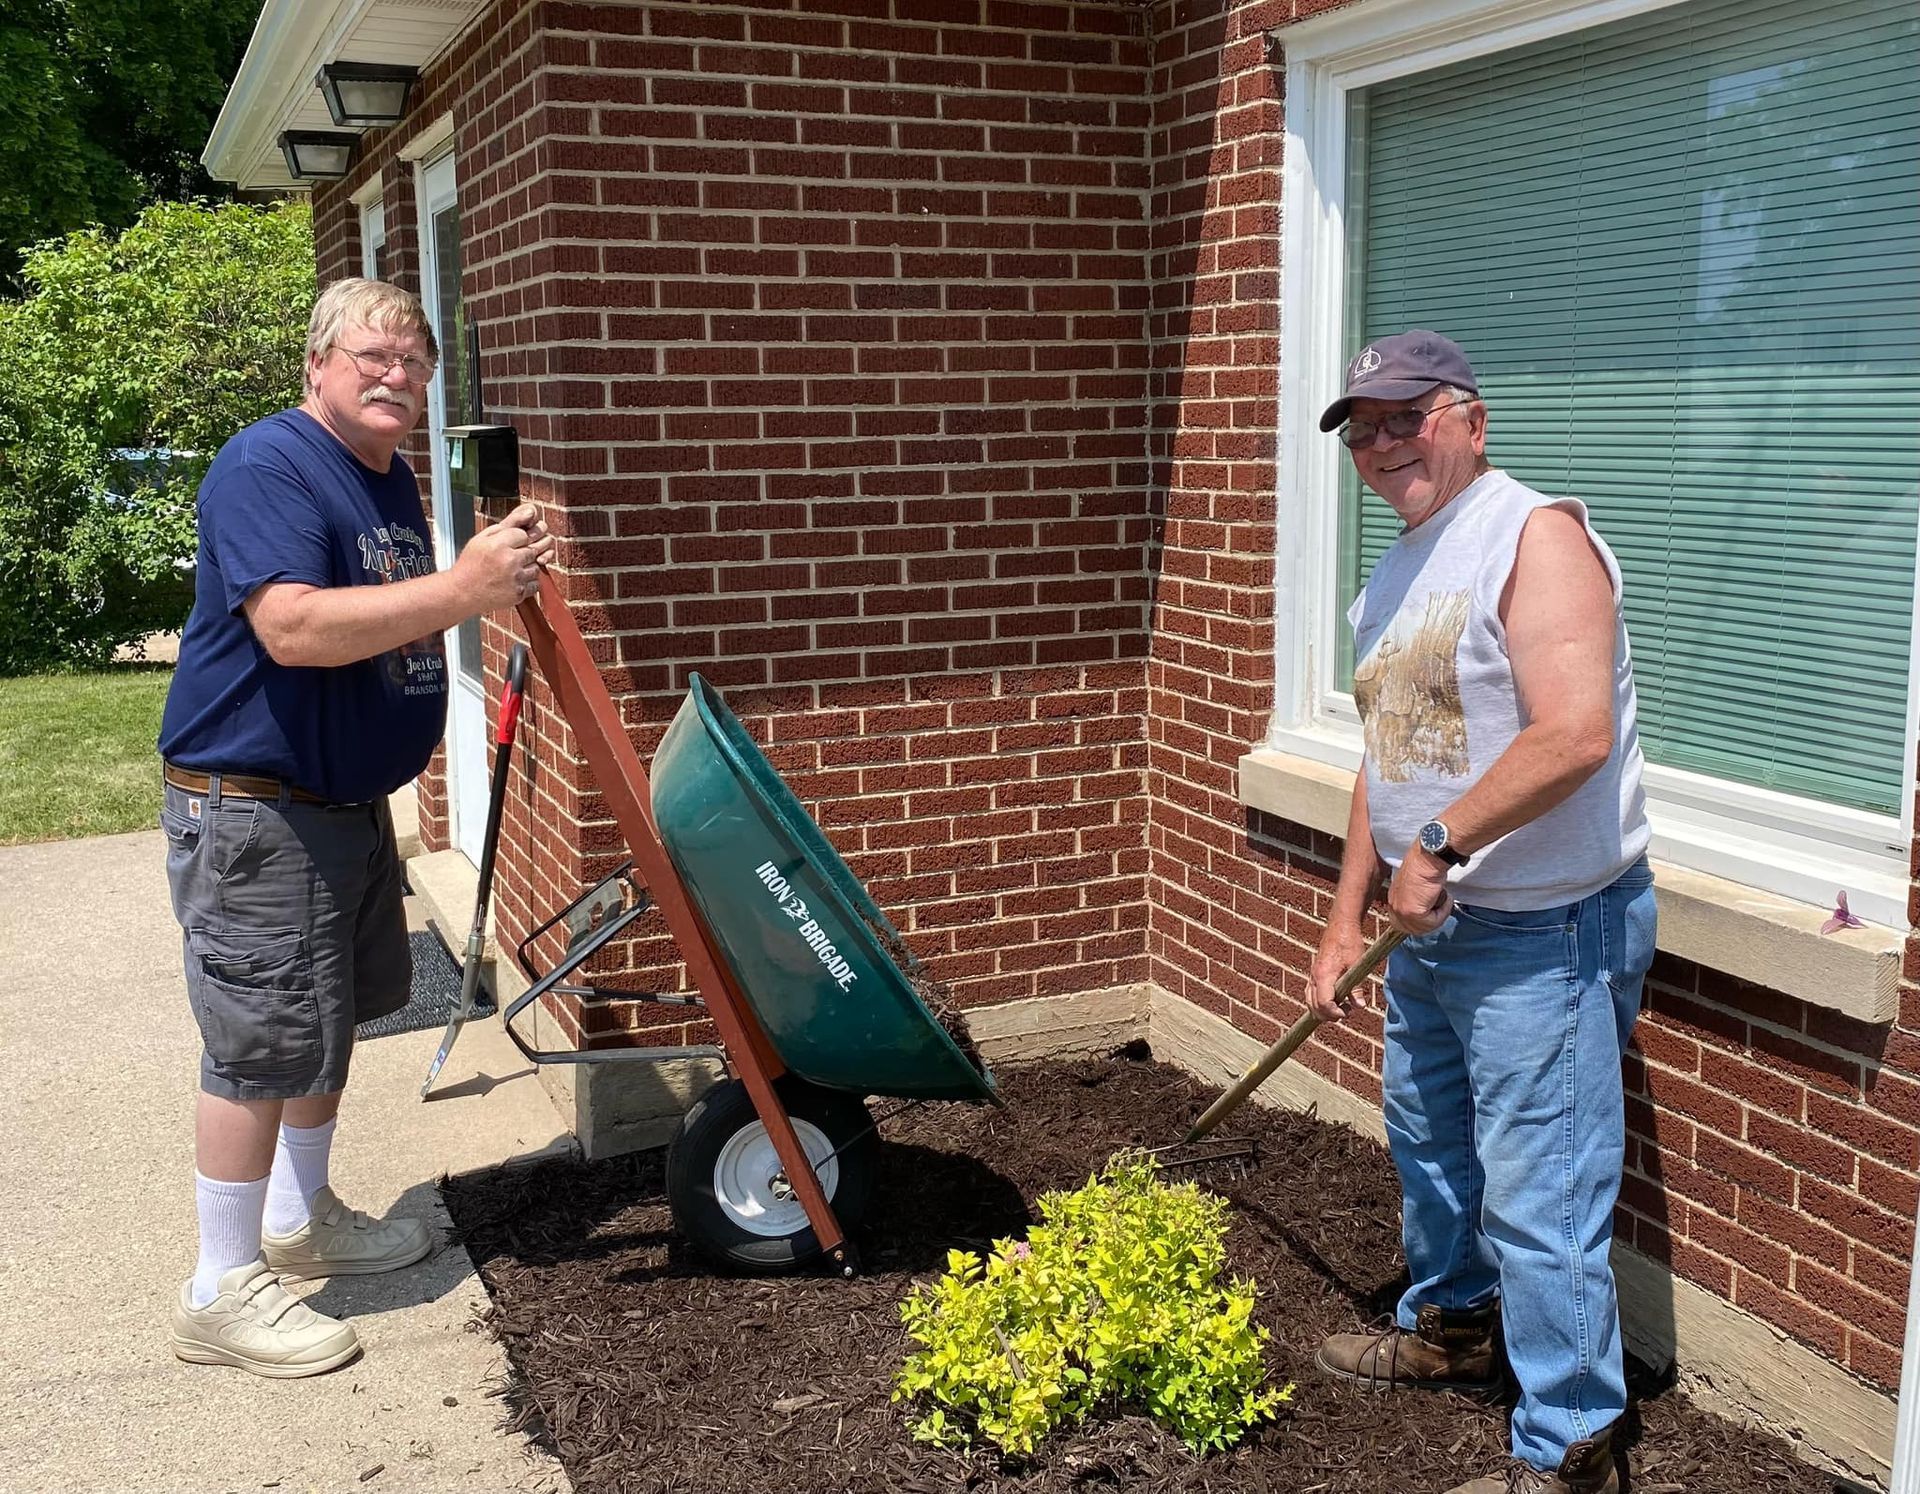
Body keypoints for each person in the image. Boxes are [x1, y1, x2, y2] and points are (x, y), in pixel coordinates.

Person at [157, 277, 554, 1377]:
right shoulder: (270, 465)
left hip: (336, 808)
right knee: (257, 1046)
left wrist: (472, 587)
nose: (396, 376)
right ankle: (221, 1286)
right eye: (373, 356)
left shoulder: (385, 474)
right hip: (256, 812)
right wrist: (466, 587)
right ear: (318, 367)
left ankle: (303, 1217)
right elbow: (290, 628)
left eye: (414, 364)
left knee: (325, 1028)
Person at [1305, 330, 1655, 1494]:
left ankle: (1572, 1445)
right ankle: (1451, 1327)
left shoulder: (1534, 537)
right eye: (1363, 429)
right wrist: (1346, 915)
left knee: (1542, 1195)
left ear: (1470, 418)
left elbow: (1576, 734)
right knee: (1433, 1151)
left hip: (1541, 934)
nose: (1382, 444)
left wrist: (1444, 844)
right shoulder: (1403, 565)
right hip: (1430, 932)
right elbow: (1387, 753)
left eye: (1406, 417)